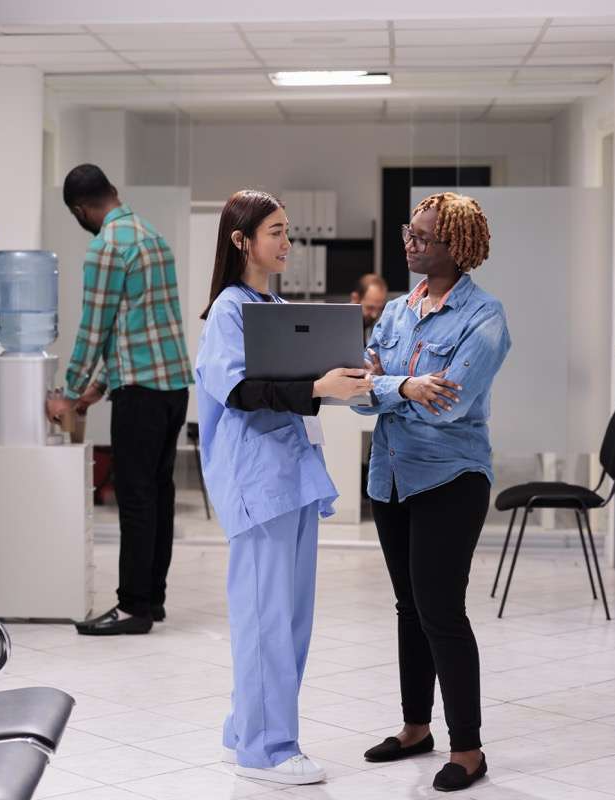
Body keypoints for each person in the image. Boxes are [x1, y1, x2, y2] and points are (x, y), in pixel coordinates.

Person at [197, 190, 372, 785]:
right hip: (258, 479)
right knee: (265, 618)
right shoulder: (229, 310)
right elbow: (241, 391)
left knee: (291, 618)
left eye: (288, 231)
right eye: (276, 231)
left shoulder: (271, 303)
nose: (287, 243)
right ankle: (267, 751)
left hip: (291, 475)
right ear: (240, 240)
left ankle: (243, 729)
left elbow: (293, 379)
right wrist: (318, 387)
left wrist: (342, 375)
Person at [356, 192, 510, 793]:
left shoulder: (484, 318)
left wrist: (390, 387)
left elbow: (450, 405)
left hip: (450, 478)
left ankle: (467, 748)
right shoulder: (396, 310)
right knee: (408, 610)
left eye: (421, 236)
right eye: (408, 232)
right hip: (391, 475)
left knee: (441, 612)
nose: (409, 243)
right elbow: (358, 385)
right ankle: (415, 726)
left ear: (457, 248)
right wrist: (405, 386)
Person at [45, 164, 192, 636]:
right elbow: (141, 325)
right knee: (159, 493)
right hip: (173, 388)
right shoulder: (152, 236)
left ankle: (132, 609)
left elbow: (95, 328)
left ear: (80, 210)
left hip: (142, 395)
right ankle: (153, 598)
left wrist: (68, 393)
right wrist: (100, 385)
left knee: (134, 498)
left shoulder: (106, 246)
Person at [350, 273, 388, 342]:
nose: (374, 315)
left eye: (380, 309)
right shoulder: (340, 328)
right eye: (370, 308)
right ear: (355, 298)